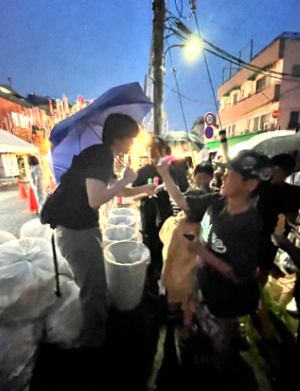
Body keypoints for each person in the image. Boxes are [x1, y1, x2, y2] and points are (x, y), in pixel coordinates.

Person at [157, 150, 273, 368]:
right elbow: (181, 201)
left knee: (219, 340)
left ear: (250, 185)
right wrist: (164, 174)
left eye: (231, 173)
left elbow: (238, 275)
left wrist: (200, 251)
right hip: (205, 282)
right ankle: (201, 336)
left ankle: (221, 371)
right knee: (198, 313)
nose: (222, 176)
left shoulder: (247, 225)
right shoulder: (217, 200)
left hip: (224, 296)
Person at [53, 114, 156, 347]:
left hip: (79, 229)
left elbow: (114, 190)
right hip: (76, 232)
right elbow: (95, 199)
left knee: (95, 284)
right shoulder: (100, 156)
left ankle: (96, 333)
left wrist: (143, 188)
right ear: (119, 138)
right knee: (94, 290)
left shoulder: (100, 155)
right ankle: (93, 345)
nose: (132, 144)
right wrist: (127, 178)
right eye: (131, 139)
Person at [132, 137, 173, 296]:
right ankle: (151, 282)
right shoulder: (141, 172)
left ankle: (166, 279)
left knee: (165, 246)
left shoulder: (170, 169)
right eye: (150, 150)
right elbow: (132, 197)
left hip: (166, 216)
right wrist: (144, 191)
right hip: (148, 215)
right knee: (149, 245)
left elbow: (180, 192)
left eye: (157, 150)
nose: (153, 154)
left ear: (163, 151)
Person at [256, 153, 300, 285]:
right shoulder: (292, 192)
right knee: (259, 270)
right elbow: (291, 218)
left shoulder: (261, 186)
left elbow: (292, 218)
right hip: (263, 236)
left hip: (273, 238)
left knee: (261, 271)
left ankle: (257, 297)